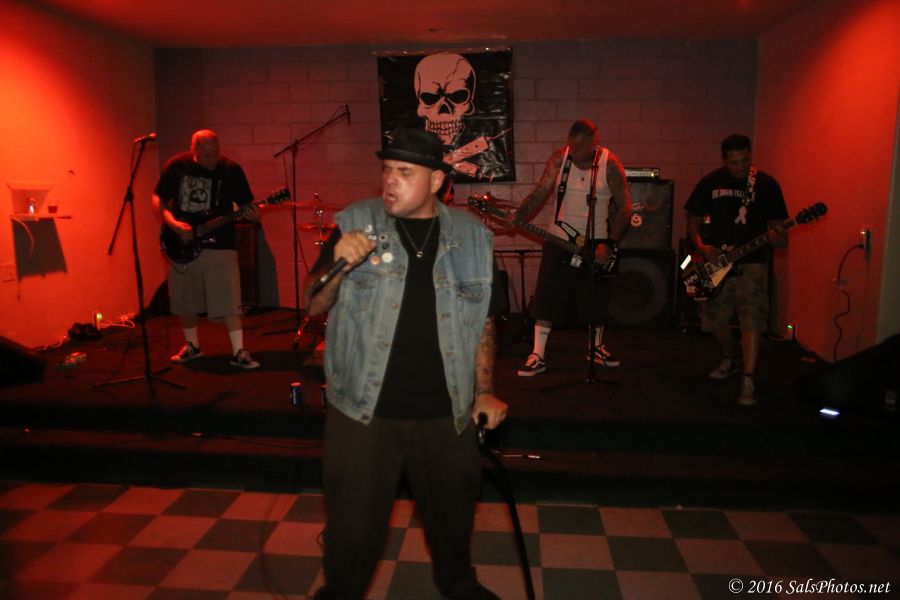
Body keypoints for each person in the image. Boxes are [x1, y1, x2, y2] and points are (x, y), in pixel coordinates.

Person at [302, 128, 508, 600]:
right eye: (386, 170)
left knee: (453, 516)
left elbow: (483, 322)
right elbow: (314, 304)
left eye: (404, 172)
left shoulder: (474, 238)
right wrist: (338, 265)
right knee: (352, 527)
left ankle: (459, 585)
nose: (390, 182)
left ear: (436, 181)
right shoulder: (356, 222)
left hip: (445, 410)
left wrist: (484, 391)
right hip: (364, 410)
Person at [512, 119, 633, 376]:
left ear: (593, 144)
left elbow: (625, 209)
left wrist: (609, 244)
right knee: (546, 297)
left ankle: (595, 347)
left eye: (579, 148)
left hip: (596, 242)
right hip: (559, 239)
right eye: (571, 147)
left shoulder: (610, 164)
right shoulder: (559, 160)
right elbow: (539, 192)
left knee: (596, 298)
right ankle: (537, 354)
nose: (573, 153)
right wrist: (519, 215)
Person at [684, 133, 788, 405]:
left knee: (752, 319)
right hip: (716, 262)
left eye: (745, 160)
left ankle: (748, 377)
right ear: (724, 160)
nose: (740, 167)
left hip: (752, 263)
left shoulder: (766, 185)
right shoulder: (710, 182)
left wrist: (778, 237)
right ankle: (729, 358)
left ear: (751, 155)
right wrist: (702, 246)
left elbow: (780, 233)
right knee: (713, 320)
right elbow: (692, 221)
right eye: (734, 162)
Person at [152, 129, 261, 369]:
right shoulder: (176, 167)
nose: (212, 161)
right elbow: (158, 198)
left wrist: (254, 214)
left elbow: (248, 206)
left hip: (221, 242)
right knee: (185, 298)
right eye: (206, 156)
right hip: (181, 241)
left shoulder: (231, 170)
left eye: (215, 154)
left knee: (229, 297)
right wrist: (173, 224)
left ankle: (239, 351)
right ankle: (192, 345)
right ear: (194, 150)